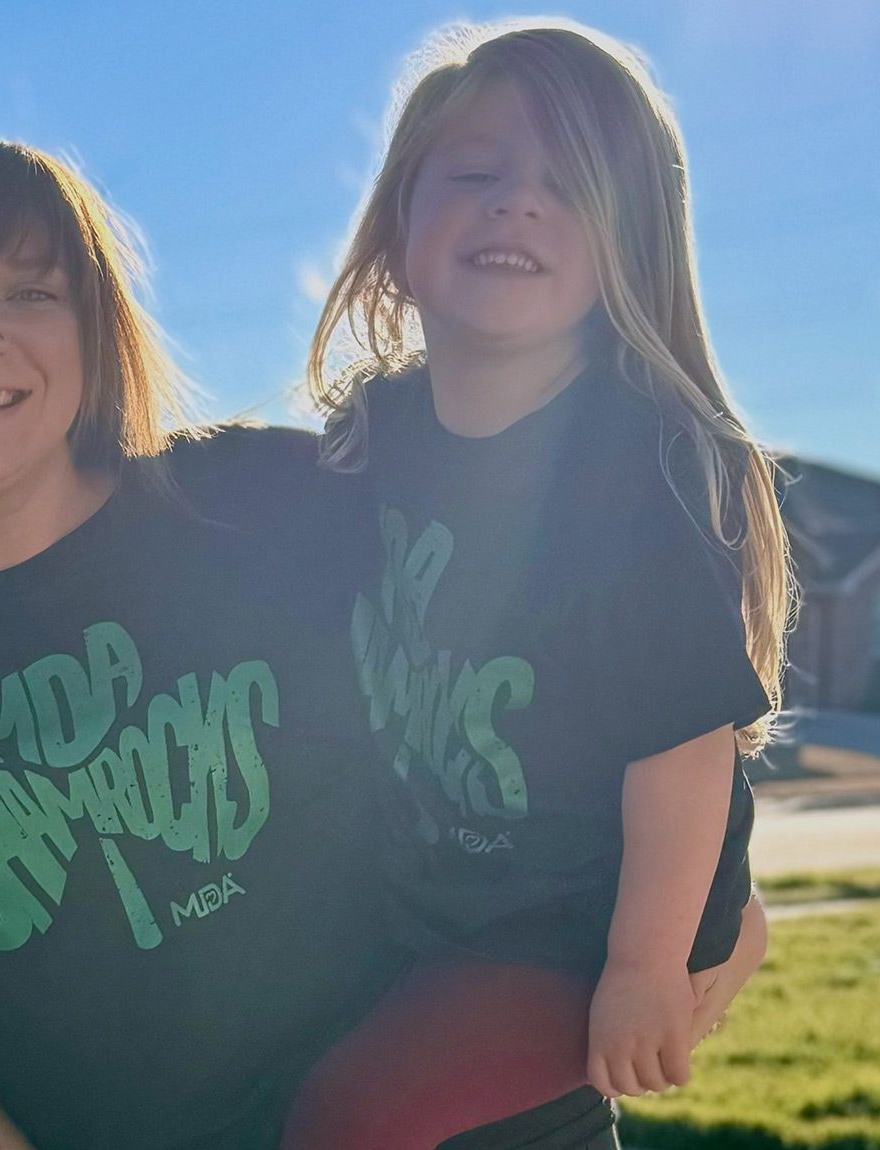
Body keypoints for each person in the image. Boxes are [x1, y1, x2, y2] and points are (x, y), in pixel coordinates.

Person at [0, 136, 768, 1150]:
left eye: (32, 293)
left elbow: (577, 630)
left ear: (97, 336)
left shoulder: (266, 501)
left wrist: (704, 903)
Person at [276, 22, 794, 1148]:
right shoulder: (376, 436)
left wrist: (643, 962)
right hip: (444, 905)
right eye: (474, 173)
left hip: (578, 921)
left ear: (628, 241)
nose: (515, 202)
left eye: (567, 183)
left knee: (352, 1120)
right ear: (398, 225)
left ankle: (718, 925)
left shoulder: (634, 465)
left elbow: (680, 740)